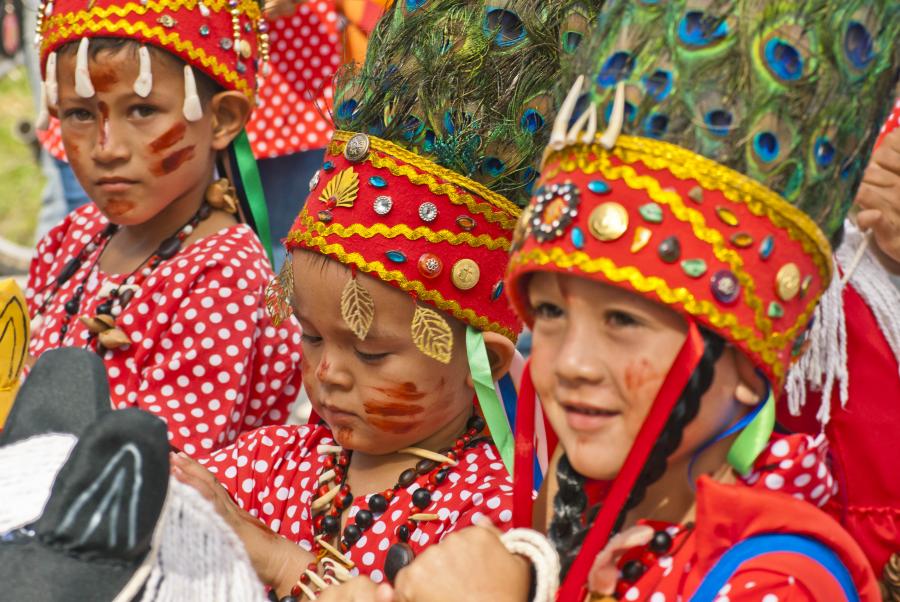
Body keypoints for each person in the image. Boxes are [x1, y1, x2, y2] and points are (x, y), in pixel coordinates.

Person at [320, 1, 899, 600]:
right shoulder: (579, 511)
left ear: (749, 363)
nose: (570, 362)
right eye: (548, 313)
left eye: (621, 320)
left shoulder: (780, 581)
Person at [169, 1, 575, 599]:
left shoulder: (488, 519)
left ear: (484, 361)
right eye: (310, 337)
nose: (328, 373)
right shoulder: (273, 461)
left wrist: (282, 563)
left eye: (372, 353)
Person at [22, 0, 303, 454]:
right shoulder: (73, 237)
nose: (107, 148)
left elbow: (155, 468)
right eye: (80, 114)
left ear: (223, 118)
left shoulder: (225, 276)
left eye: (141, 110)